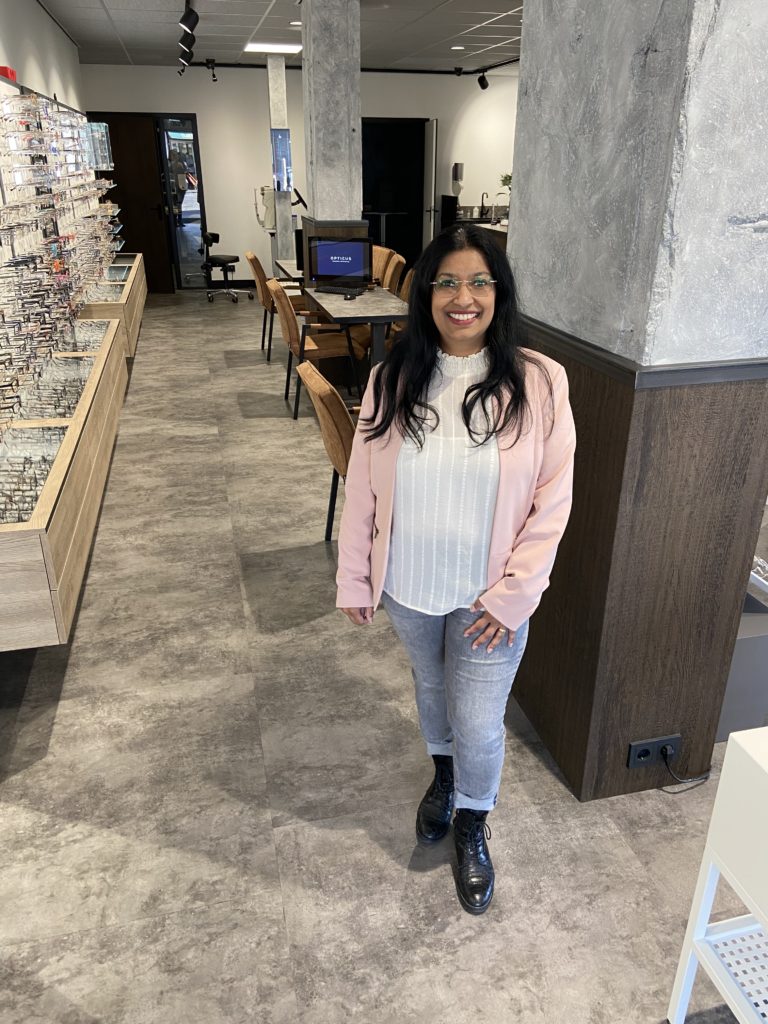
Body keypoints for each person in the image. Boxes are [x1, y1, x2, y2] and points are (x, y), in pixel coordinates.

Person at [336, 223, 576, 915]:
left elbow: (553, 500)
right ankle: (444, 778)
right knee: (432, 690)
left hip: (489, 600)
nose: (462, 297)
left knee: (478, 721)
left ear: (499, 292)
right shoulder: (392, 376)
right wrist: (356, 576)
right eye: (446, 282)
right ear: (426, 293)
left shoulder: (540, 381)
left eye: (477, 282)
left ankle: (473, 818)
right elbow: (363, 487)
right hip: (408, 586)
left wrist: (515, 596)